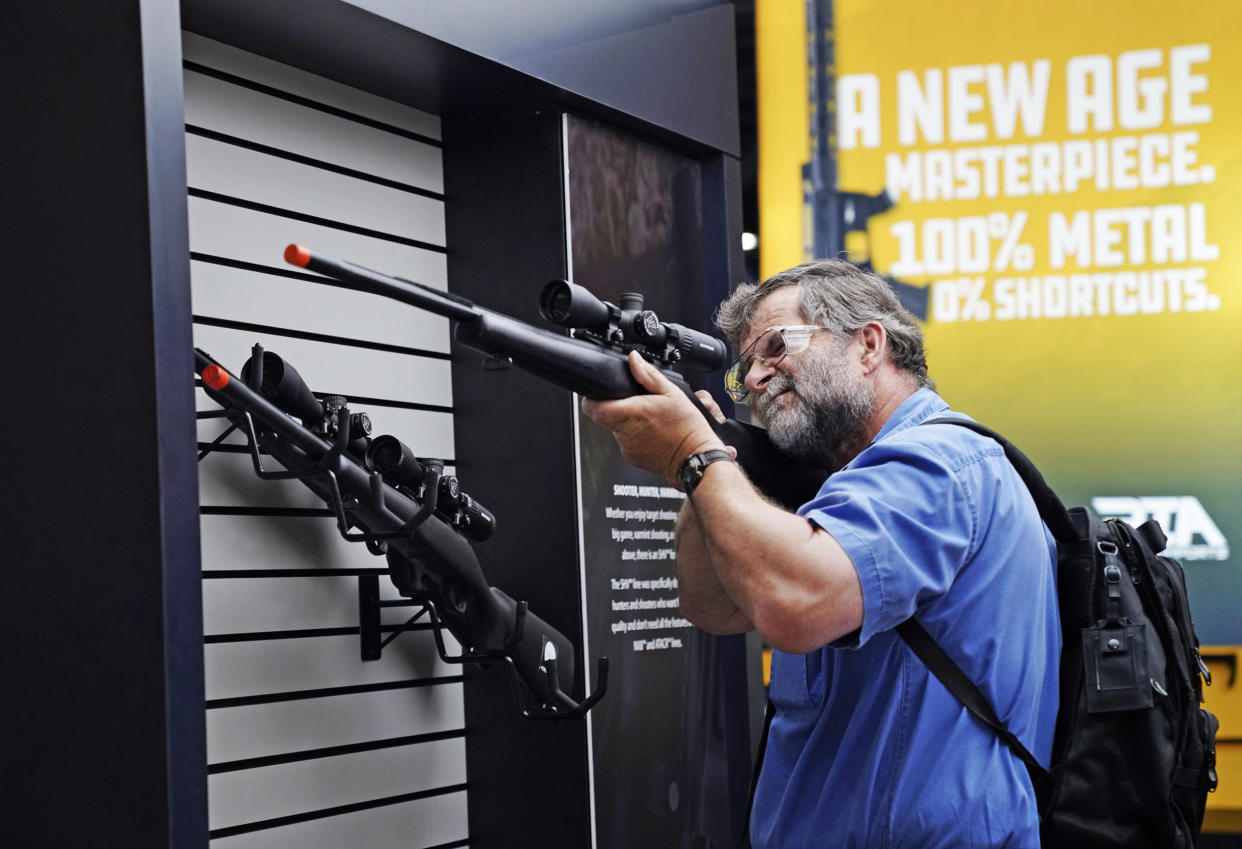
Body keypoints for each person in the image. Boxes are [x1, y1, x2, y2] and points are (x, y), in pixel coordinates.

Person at [581, 259, 1060, 849]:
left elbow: (795, 608)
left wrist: (694, 453)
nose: (755, 378)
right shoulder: (845, 487)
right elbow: (713, 606)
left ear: (868, 344)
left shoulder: (936, 464)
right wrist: (709, 466)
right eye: (746, 367)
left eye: (777, 346)